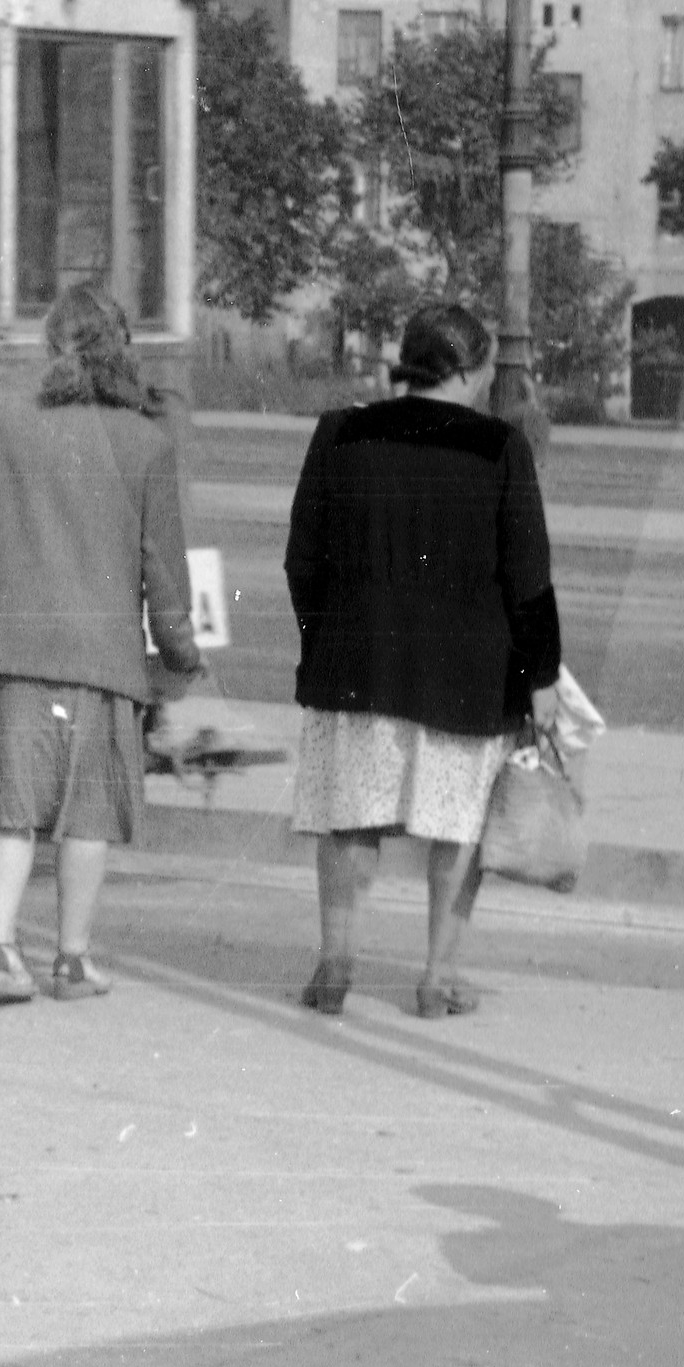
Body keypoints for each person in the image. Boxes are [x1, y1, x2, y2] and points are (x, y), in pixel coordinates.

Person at [0, 281, 205, 1005]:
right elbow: (163, 569)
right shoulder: (146, 441)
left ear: (52, 350)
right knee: (89, 813)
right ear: (123, 353)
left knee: (11, 804)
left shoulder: (6, 422)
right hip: (103, 657)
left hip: (11, 647)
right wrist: (181, 654)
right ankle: (72, 960)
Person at [284, 301, 565, 1020]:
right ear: (468, 369)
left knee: (351, 821)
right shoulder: (500, 447)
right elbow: (528, 577)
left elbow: (302, 559)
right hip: (468, 679)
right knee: (459, 827)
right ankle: (438, 975)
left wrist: (323, 639)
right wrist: (541, 679)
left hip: (358, 664)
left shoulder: (338, 432)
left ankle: (335, 961)